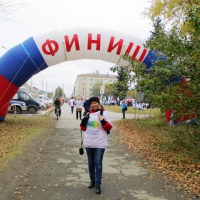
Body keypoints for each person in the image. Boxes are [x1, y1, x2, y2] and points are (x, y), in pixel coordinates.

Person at [80, 97, 112, 195]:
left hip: (100, 143)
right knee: (90, 163)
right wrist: (83, 122)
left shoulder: (103, 113)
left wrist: (102, 121)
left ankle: (98, 184)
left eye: (95, 103)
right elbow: (84, 129)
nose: (94, 105)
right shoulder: (87, 114)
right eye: (92, 103)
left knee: (98, 162)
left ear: (98, 104)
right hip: (89, 142)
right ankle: (92, 181)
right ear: (90, 105)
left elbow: (109, 127)